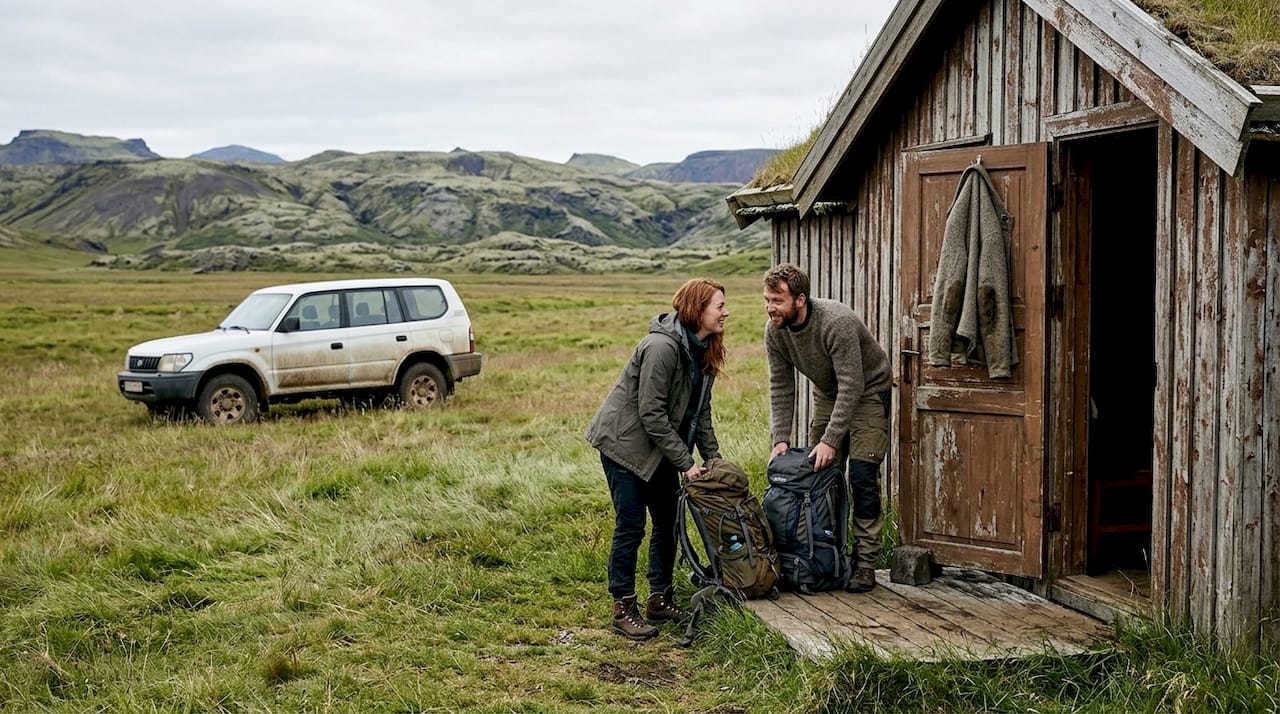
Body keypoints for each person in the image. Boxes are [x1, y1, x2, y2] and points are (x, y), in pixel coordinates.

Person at [585, 278, 729, 640]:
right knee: (631, 525)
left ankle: (659, 599)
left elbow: (701, 413)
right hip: (624, 445)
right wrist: (685, 462)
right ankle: (623, 607)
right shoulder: (661, 347)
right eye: (719, 306)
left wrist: (714, 462)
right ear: (698, 310)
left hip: (659, 448)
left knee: (667, 522)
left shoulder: (704, 347)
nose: (726, 312)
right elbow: (651, 413)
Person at [762, 263, 892, 593]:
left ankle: (865, 564)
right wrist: (780, 439)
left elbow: (852, 384)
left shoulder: (836, 322)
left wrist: (831, 439)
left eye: (777, 301)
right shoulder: (774, 331)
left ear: (800, 300)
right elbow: (781, 385)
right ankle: (824, 557)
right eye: (766, 300)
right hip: (827, 395)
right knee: (818, 476)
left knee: (861, 476)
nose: (770, 308)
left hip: (868, 392)